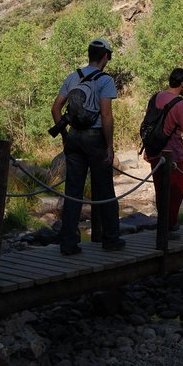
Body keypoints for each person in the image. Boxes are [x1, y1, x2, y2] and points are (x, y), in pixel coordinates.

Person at [51, 38, 125, 255]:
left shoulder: (73, 77)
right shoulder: (105, 80)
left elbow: (56, 108)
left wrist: (65, 135)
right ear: (105, 57)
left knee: (73, 191)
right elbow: (106, 114)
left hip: (74, 137)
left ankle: (68, 243)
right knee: (105, 190)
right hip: (95, 138)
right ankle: (111, 239)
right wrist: (109, 146)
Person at [145, 68, 183, 238]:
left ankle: (163, 224)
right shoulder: (181, 104)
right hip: (173, 155)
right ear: (182, 84)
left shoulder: (155, 97)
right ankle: (169, 227)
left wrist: (147, 148)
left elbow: (149, 124)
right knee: (175, 192)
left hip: (155, 152)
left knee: (161, 191)